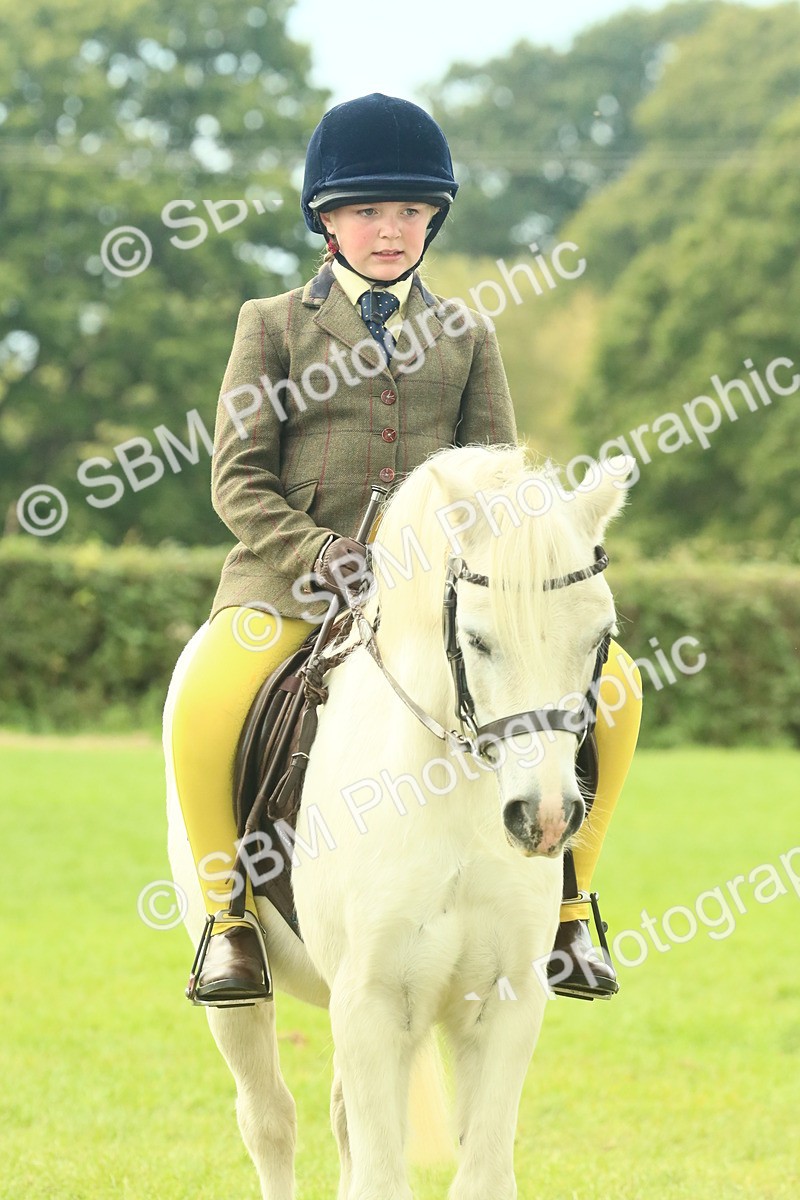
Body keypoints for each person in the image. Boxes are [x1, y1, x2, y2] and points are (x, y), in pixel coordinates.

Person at [167, 92, 642, 1006]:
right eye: (367, 212)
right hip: (291, 586)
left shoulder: (467, 333)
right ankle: (228, 920)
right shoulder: (270, 325)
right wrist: (317, 552)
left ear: (433, 219)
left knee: (612, 687)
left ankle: (574, 904)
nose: (391, 231)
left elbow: (502, 478)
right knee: (207, 695)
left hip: (437, 600)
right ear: (327, 221)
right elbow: (238, 480)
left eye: (410, 213)